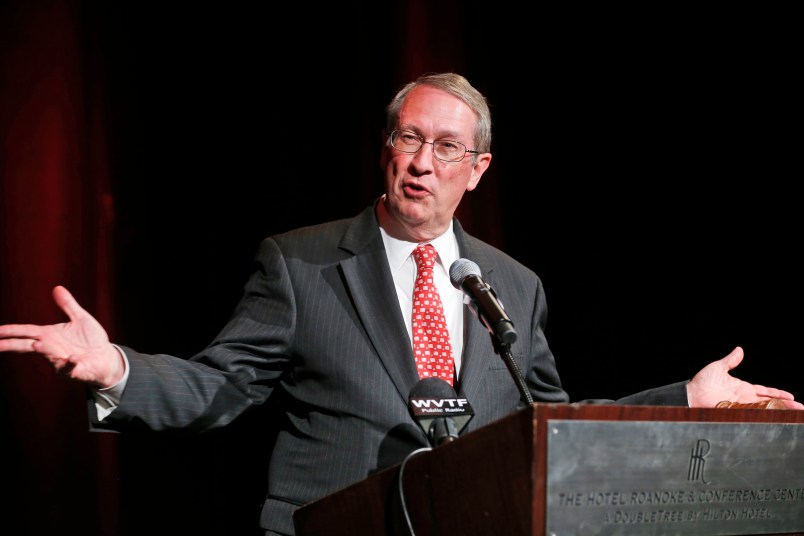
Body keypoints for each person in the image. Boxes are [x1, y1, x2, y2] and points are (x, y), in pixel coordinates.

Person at [1, 72, 801, 536]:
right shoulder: (302, 263)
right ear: (387, 150)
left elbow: (551, 428)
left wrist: (683, 399)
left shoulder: (512, 284)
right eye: (409, 139)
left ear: (478, 169)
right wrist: (118, 369)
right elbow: (220, 388)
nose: (423, 163)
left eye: (447, 148)